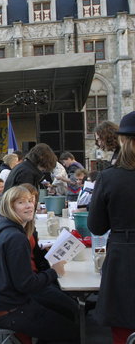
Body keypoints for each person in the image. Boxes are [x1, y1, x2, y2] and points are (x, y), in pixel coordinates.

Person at [0, 186, 79, 343]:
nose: (29, 205)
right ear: (9, 207)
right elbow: (26, 285)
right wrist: (54, 272)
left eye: (31, 201)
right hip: (10, 309)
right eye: (21, 202)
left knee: (67, 310)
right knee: (72, 330)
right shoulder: (15, 237)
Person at [87, 111, 135, 344]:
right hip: (123, 250)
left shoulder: (109, 177)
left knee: (123, 325)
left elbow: (96, 226)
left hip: (124, 254)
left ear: (124, 141)